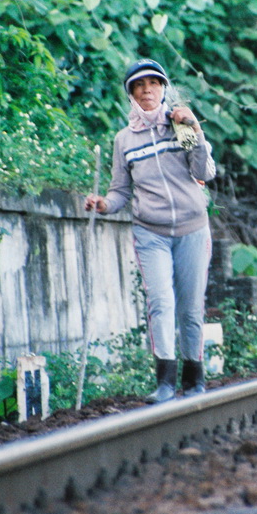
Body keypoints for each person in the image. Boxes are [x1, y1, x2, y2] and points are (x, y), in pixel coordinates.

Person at [85, 58, 216, 403]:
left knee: (190, 307)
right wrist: (103, 204)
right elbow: (120, 191)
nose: (147, 91)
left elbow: (205, 170)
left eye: (153, 84)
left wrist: (195, 129)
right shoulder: (124, 140)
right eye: (139, 86)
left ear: (163, 88)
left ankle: (195, 379)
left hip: (192, 228)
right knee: (160, 301)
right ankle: (165, 383)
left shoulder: (180, 126)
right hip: (150, 232)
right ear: (131, 94)